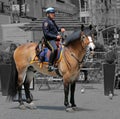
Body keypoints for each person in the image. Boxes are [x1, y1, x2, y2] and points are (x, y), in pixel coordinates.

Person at [42, 7, 65, 71]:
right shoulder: (46, 22)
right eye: (52, 13)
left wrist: (61, 29)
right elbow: (46, 33)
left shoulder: (52, 21)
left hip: (55, 39)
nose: (53, 14)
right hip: (49, 40)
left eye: (53, 13)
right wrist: (56, 37)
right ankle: (50, 65)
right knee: (54, 49)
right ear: (47, 14)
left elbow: (57, 29)